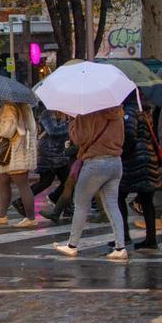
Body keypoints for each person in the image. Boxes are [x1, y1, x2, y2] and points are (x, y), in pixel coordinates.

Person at [53, 106, 129, 260]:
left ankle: (72, 245)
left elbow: (79, 139)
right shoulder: (117, 112)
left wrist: (73, 124)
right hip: (115, 162)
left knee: (80, 204)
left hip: (95, 162)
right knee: (112, 204)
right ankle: (120, 247)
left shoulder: (87, 112)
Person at [114, 96, 160, 250]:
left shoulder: (129, 110)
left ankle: (123, 235)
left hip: (133, 161)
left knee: (119, 196)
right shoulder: (145, 110)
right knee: (147, 201)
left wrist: (121, 152)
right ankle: (151, 239)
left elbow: (129, 134)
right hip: (148, 158)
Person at [0, 101, 39, 228]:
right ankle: (1, 215)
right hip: (16, 153)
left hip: (14, 154)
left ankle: (31, 218)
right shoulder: (26, 107)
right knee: (2, 181)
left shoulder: (10, 108)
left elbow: (7, 131)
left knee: (23, 185)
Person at [32, 109, 71, 204]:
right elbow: (53, 131)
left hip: (60, 154)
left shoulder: (64, 114)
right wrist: (70, 124)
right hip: (48, 155)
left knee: (69, 182)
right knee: (45, 182)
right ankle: (23, 201)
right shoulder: (47, 114)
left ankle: (61, 204)